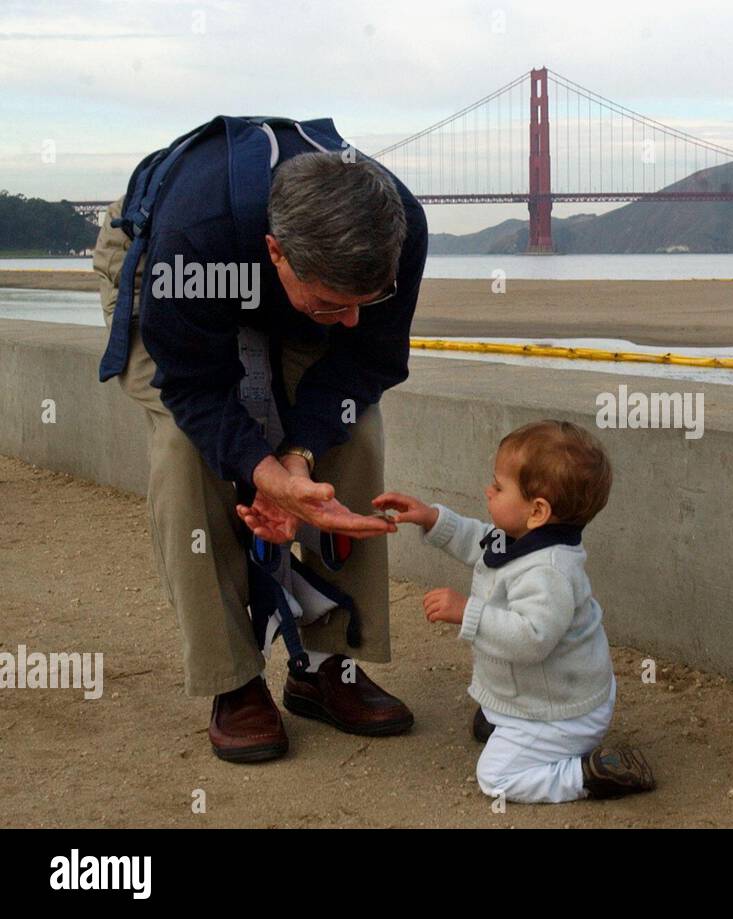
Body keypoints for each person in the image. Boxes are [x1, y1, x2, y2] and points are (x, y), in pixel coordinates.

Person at [93, 118, 428, 763]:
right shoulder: (195, 234)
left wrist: (297, 459)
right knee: (186, 452)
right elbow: (190, 383)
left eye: (368, 297)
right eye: (337, 303)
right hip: (165, 269)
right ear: (277, 254)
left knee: (353, 436)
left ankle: (332, 665)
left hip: (279, 274)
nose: (353, 319)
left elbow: (370, 359)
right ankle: (235, 680)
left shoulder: (398, 225)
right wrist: (260, 472)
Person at [370, 420, 656, 802]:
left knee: (496, 776)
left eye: (499, 487)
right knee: (493, 718)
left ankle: (585, 774)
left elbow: (531, 638)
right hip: (546, 693)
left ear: (537, 510)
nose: (488, 491)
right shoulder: (520, 538)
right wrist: (431, 517)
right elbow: (476, 539)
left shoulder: (549, 571)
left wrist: (467, 612)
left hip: (562, 711)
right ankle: (508, 719)